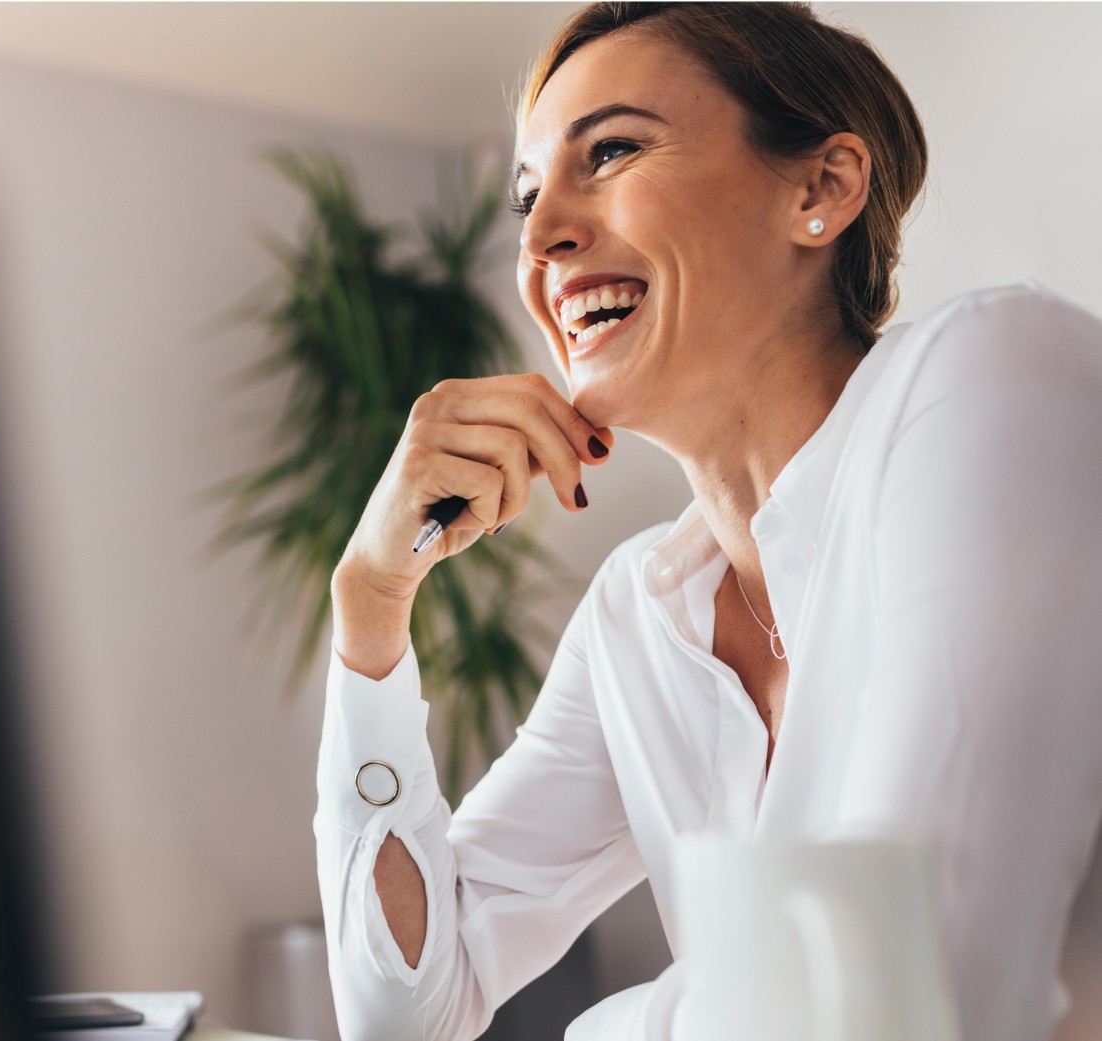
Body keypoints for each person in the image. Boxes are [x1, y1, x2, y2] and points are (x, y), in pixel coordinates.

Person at [314, 3, 1102, 1039]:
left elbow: (919, 997)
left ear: (819, 192)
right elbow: (401, 1015)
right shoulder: (639, 618)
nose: (543, 235)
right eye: (527, 197)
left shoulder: (995, 375)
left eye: (610, 152)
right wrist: (369, 604)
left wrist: (601, 1031)